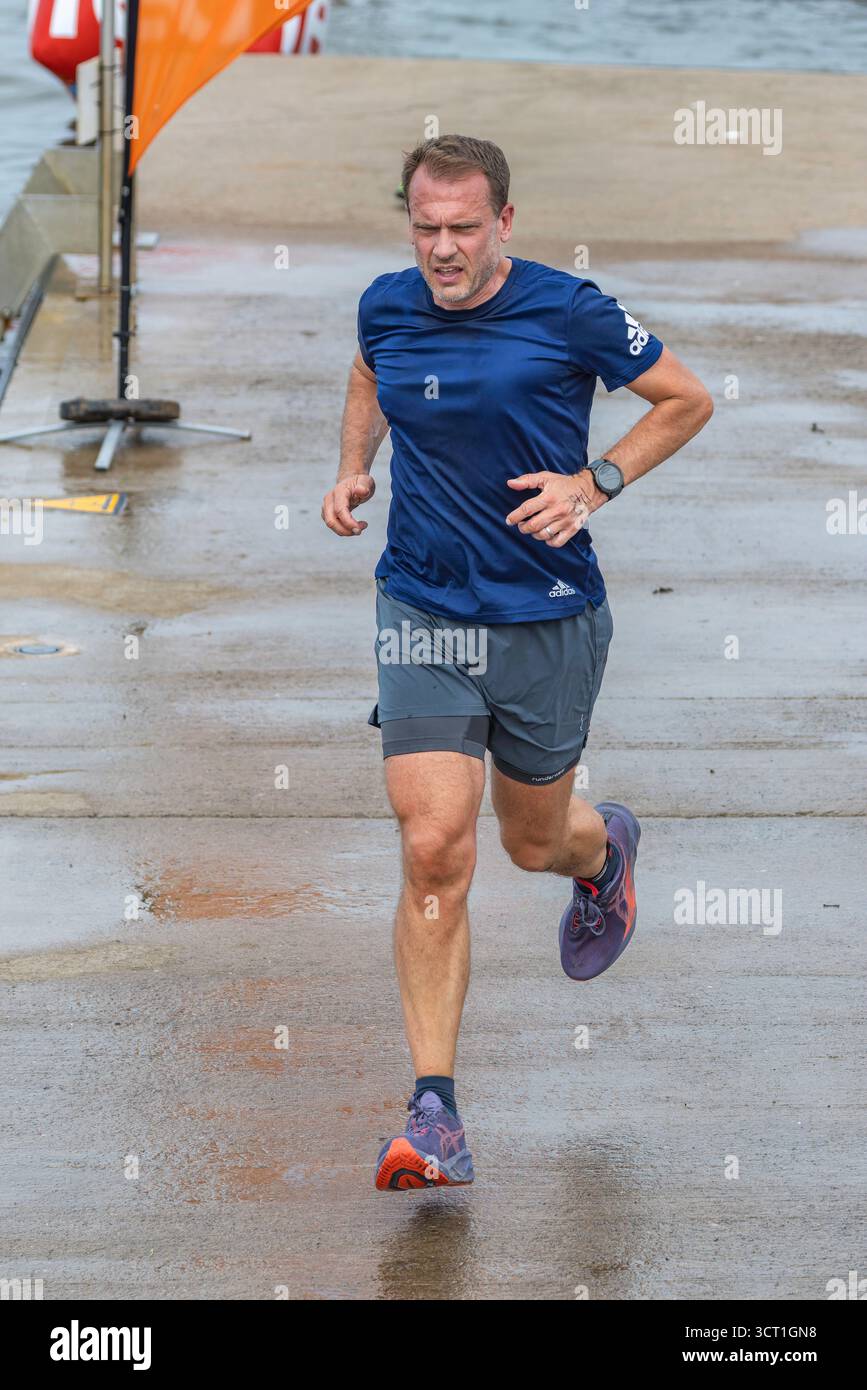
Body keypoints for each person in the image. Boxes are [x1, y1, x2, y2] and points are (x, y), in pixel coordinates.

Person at [321, 134, 713, 1190]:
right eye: (424, 226)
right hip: (424, 610)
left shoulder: (570, 309)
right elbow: (368, 369)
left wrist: (598, 482)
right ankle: (435, 1111)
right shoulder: (387, 303)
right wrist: (355, 468)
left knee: (533, 841)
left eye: (462, 227)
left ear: (505, 222)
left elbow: (686, 400)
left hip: (546, 619)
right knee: (436, 842)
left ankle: (602, 857)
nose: (441, 249)